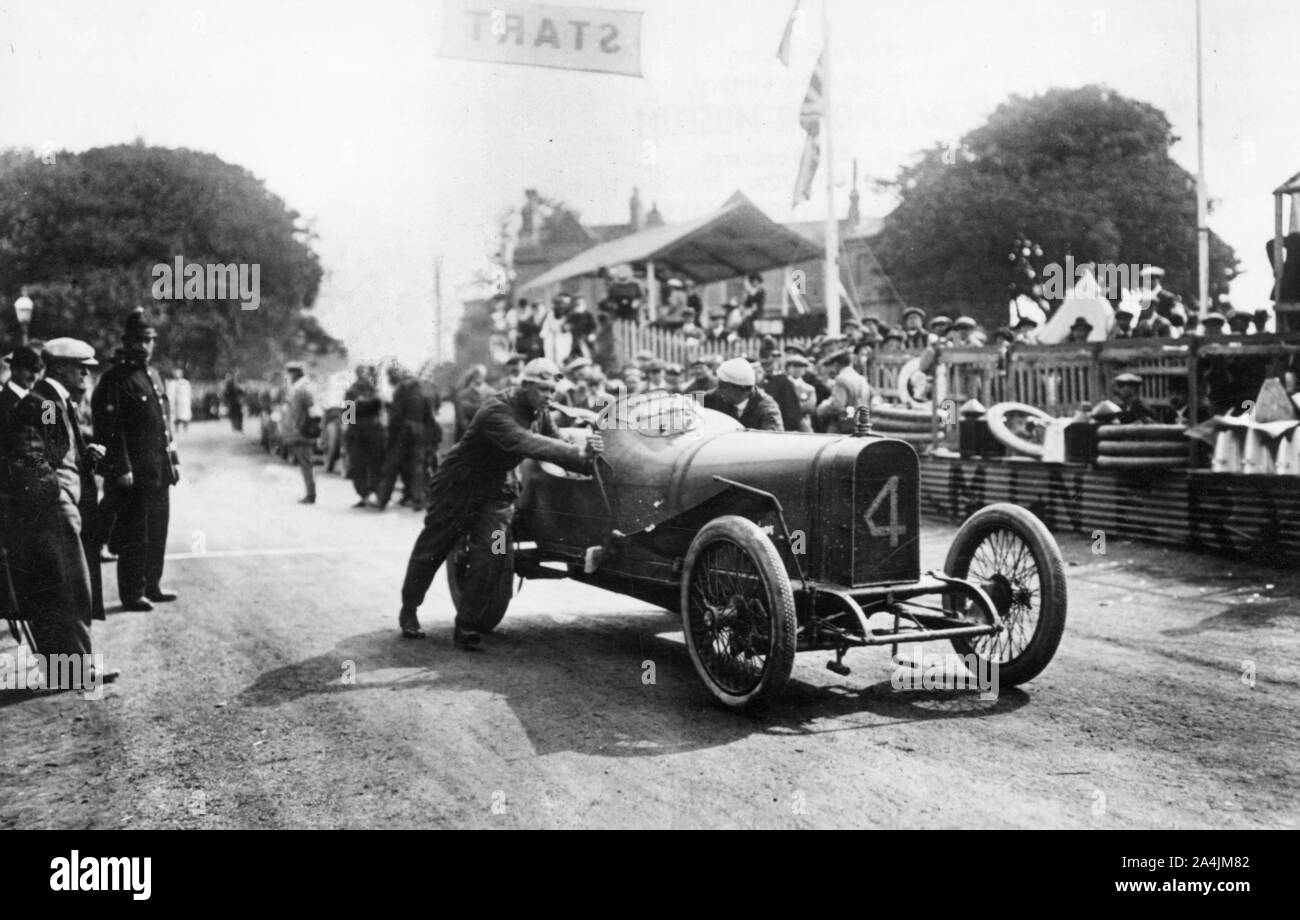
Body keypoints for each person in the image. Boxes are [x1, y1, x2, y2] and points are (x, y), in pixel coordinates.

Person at [394, 358, 603, 647]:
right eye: (543, 389)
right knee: (434, 547)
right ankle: (410, 608)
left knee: (494, 553)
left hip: (497, 494)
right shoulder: (497, 409)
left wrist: (588, 460)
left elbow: (556, 446)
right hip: (459, 487)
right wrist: (579, 452)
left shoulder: (540, 412)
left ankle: (466, 624)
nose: (549, 396)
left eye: (553, 391)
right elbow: (526, 443)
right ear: (525, 385)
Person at [91, 309, 179, 611]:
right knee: (134, 534)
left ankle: (152, 584)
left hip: (158, 470)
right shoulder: (115, 379)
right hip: (134, 474)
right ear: (126, 343)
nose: (144, 346)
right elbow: (110, 428)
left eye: (148, 341)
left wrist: (173, 459)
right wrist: (121, 467)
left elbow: (163, 422)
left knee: (157, 530)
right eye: (138, 341)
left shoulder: (154, 375)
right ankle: (132, 592)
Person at [376, 364, 431, 511]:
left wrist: (391, 435)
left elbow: (396, 415)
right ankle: (417, 500)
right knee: (417, 466)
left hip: (401, 430)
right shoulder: (423, 390)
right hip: (419, 429)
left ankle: (382, 500)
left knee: (392, 465)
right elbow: (429, 414)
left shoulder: (400, 389)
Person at [343, 365, 385, 508]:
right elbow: (381, 411)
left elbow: (347, 417)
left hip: (357, 431)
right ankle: (377, 494)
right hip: (374, 430)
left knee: (358, 464)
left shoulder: (351, 391)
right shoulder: (375, 392)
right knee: (375, 463)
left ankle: (365, 494)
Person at [702, 358, 782, 431]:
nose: (719, 390)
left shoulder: (767, 409)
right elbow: (693, 400)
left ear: (742, 389)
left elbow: (774, 437)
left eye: (723, 386)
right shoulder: (718, 396)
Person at [282, 361, 318, 504]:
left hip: (301, 433)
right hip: (298, 432)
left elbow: (313, 412)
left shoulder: (302, 390)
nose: (287, 377)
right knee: (305, 464)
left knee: (306, 464)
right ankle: (310, 493)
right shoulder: (298, 389)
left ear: (295, 374)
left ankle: (311, 494)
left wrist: (308, 430)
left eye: (289, 374)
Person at [816, 350, 873, 433]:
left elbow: (837, 406)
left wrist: (821, 408)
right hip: (861, 426)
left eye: (830, 366)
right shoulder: (862, 379)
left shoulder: (841, 379)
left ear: (835, 365)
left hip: (843, 428)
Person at [761, 351, 803, 431]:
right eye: (764, 364)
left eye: (776, 357)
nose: (767, 367)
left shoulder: (782, 380)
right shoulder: (759, 381)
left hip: (783, 424)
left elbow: (791, 407)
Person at [165, 367, 193, 434]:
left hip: (184, 402)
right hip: (176, 403)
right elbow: (170, 393)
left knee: (185, 416)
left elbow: (189, 392)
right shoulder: (172, 383)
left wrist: (189, 400)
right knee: (176, 417)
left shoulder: (185, 383)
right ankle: (176, 429)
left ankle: (185, 429)